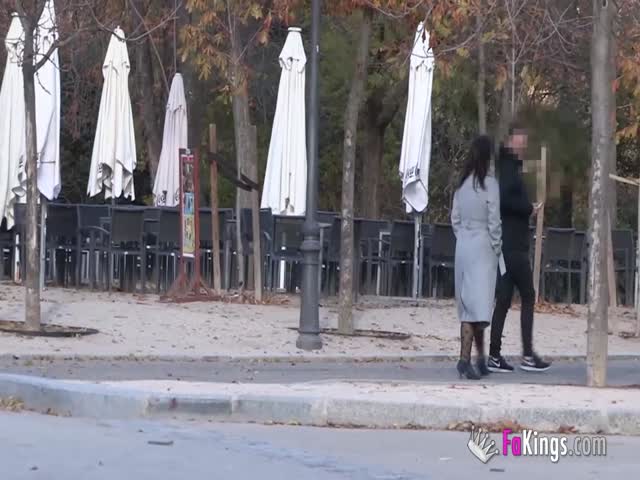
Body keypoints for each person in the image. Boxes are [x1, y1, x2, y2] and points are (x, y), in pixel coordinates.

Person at [487, 122, 551, 373]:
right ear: (510, 141)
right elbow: (504, 200)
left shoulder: (510, 167)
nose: (523, 145)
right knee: (527, 294)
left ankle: (494, 354)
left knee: (504, 298)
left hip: (509, 243)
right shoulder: (508, 168)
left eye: (525, 141)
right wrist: (527, 209)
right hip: (513, 245)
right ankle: (527, 355)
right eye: (520, 140)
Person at [451, 135, 503, 380]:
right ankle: (465, 359)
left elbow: (455, 219)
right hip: (483, 247)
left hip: (463, 246)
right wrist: (497, 246)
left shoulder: (462, 185)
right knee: (479, 306)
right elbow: (494, 221)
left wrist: (463, 236)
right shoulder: (490, 185)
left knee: (469, 304)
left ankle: (476, 358)